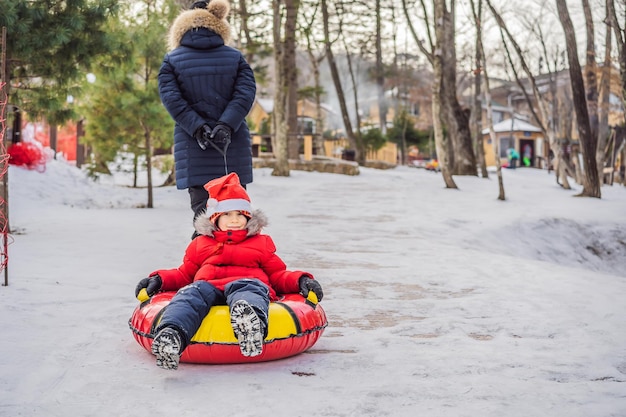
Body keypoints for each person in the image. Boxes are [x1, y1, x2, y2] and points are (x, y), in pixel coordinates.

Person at [135, 173, 324, 370]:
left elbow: (277, 275)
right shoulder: (201, 244)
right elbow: (184, 274)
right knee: (190, 294)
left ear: (248, 217)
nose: (234, 220)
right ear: (215, 218)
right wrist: (159, 280)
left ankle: (251, 326)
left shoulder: (261, 243)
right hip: (208, 287)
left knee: (250, 290)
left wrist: (301, 281)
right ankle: (172, 335)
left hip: (246, 284)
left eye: (240, 214)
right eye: (227, 214)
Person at [158, 0, 256, 235]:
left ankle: (203, 266)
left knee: (203, 215)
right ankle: (234, 265)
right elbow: (245, 94)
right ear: (219, 25)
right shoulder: (235, 58)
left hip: (193, 147)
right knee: (235, 213)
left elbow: (172, 100)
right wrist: (226, 125)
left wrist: (197, 127)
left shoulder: (172, 60)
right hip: (232, 147)